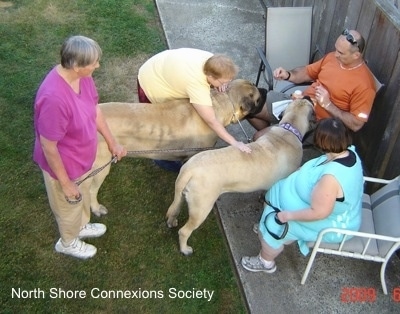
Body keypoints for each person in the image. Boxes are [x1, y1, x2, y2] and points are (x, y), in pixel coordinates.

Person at [33, 35, 127, 259]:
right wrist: (64, 183)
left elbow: (94, 109)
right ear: (76, 65)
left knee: (82, 194)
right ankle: (67, 241)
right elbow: (49, 146)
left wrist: (112, 141)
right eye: (93, 63)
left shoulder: (83, 78)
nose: (98, 66)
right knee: (68, 205)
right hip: (63, 167)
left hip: (82, 158)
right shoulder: (54, 99)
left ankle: (81, 225)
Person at [241, 118, 364, 273]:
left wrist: (286, 216)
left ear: (322, 141)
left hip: (329, 224)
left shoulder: (331, 179)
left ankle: (265, 261)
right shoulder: (347, 152)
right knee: (275, 191)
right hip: (304, 201)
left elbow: (319, 213)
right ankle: (266, 224)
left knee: (274, 226)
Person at [248, 29, 376, 140]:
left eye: (341, 53)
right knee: (248, 105)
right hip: (299, 103)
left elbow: (356, 125)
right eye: (336, 49)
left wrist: (328, 104)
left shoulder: (365, 85)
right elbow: (307, 72)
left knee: (259, 138)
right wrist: (288, 74)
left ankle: (274, 141)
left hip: (316, 122)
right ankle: (275, 136)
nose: (335, 54)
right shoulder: (332, 58)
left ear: (356, 55)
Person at [137, 48, 251, 172]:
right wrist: (235, 143)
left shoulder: (212, 61)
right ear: (211, 76)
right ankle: (163, 158)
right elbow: (211, 120)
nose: (227, 85)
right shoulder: (197, 85)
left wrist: (219, 83)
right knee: (161, 124)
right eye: (224, 82)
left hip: (158, 65)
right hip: (151, 83)